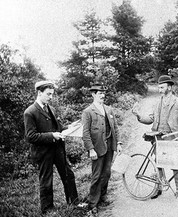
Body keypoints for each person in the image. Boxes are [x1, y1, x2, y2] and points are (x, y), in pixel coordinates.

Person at [132, 75, 178, 200]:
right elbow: (150, 119)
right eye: (158, 87)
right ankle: (158, 187)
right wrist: (138, 115)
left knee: (176, 163)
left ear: (169, 87)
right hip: (158, 137)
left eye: (162, 87)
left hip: (173, 137)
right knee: (159, 163)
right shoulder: (157, 102)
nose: (159, 90)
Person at [24, 81, 78, 214]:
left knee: (68, 174)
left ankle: (74, 202)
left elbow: (57, 128)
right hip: (43, 152)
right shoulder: (30, 112)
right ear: (39, 93)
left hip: (58, 149)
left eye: (52, 94)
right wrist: (52, 135)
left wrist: (69, 128)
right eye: (48, 94)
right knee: (46, 180)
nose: (51, 97)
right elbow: (30, 136)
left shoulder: (51, 109)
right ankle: (47, 209)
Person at [82, 83, 122, 214]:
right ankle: (93, 203)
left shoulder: (109, 109)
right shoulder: (88, 112)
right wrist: (91, 149)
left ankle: (103, 197)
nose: (103, 95)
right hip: (97, 148)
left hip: (109, 146)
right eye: (100, 93)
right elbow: (86, 133)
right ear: (93, 94)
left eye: (104, 93)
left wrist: (119, 143)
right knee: (96, 176)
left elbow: (115, 128)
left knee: (107, 173)